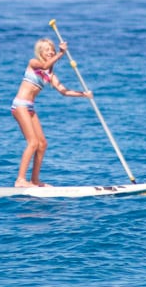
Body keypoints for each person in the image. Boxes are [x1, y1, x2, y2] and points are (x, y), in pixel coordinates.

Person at [11, 38, 93, 187]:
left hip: (30, 107)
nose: (50, 52)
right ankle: (20, 180)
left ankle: (35, 180)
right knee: (33, 142)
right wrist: (61, 54)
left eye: (52, 49)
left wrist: (84, 94)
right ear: (40, 52)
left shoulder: (50, 74)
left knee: (42, 144)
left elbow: (63, 91)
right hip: (20, 105)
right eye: (47, 50)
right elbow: (44, 65)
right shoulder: (34, 63)